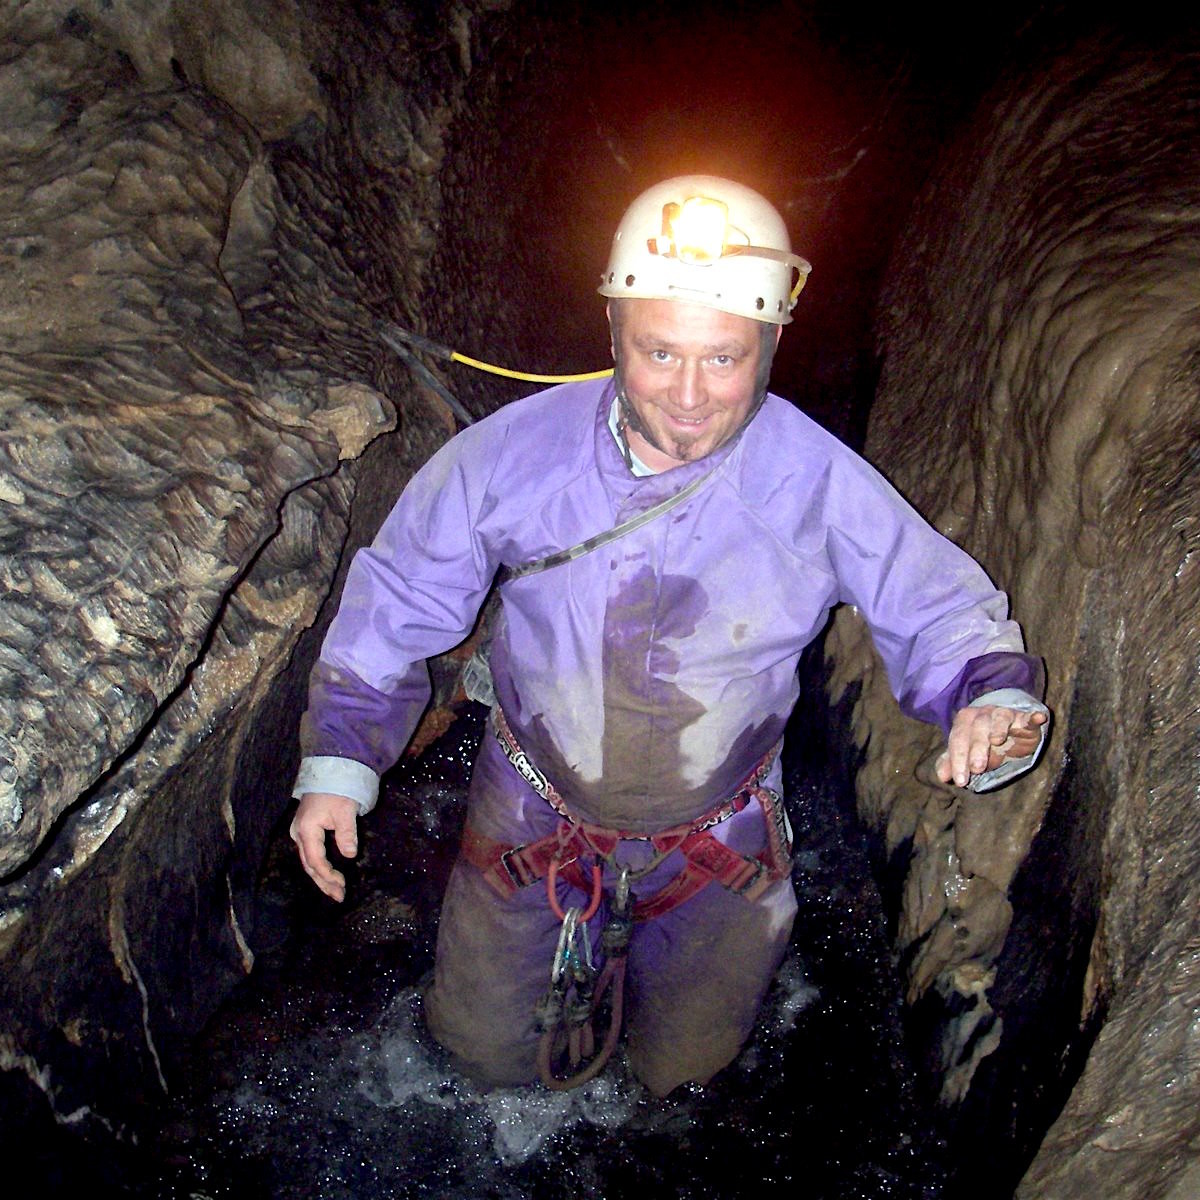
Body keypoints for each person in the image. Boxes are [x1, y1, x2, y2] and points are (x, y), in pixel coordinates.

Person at [289, 176, 1049, 1097]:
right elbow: (401, 596)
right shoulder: (511, 457)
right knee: (478, 1061)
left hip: (720, 835)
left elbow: (934, 602)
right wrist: (339, 763)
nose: (690, 394)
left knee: (685, 1081)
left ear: (770, 345)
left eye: (724, 359)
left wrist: (988, 695)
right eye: (659, 352)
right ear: (613, 332)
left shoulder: (814, 481)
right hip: (534, 807)